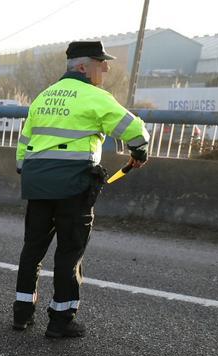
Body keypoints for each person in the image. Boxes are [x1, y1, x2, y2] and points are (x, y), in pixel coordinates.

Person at [13, 41, 150, 338]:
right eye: (102, 63)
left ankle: (22, 313)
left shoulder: (44, 97)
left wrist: (28, 170)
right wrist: (139, 152)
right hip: (73, 186)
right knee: (69, 253)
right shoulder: (94, 96)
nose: (107, 67)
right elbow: (134, 130)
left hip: (37, 183)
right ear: (83, 67)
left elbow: (24, 145)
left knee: (32, 249)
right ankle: (60, 320)